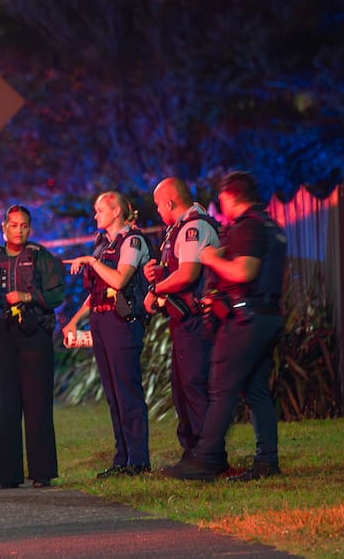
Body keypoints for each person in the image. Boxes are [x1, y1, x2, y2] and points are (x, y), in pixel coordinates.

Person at [163, 171, 287, 482]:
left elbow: (243, 271)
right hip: (267, 315)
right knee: (256, 390)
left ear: (231, 195)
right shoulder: (269, 226)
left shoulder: (248, 226)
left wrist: (209, 258)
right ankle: (267, 461)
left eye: (222, 198)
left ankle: (205, 460)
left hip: (245, 319)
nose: (220, 204)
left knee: (221, 388)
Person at [0, 204, 66, 489]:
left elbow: (57, 293)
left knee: (38, 405)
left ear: (29, 228)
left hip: (34, 335)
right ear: (4, 228)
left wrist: (27, 297)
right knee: (5, 407)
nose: (19, 230)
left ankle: (42, 473)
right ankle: (6, 476)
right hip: (1, 339)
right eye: (13, 225)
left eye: (24, 225)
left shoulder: (40, 256)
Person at [62, 191, 152, 477]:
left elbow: (120, 279)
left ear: (116, 212)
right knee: (113, 394)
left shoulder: (132, 241)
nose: (95, 215)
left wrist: (91, 261)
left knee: (127, 392)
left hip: (122, 322)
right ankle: (121, 459)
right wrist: (74, 321)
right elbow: (97, 291)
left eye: (100, 210)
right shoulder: (102, 244)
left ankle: (138, 461)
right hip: (101, 321)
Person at [142, 177, 221, 463]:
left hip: (196, 321)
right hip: (183, 321)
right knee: (182, 387)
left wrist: (155, 290)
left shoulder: (193, 227)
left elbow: (188, 274)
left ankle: (208, 458)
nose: (157, 211)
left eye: (158, 205)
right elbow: (177, 270)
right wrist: (158, 274)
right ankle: (192, 454)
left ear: (169, 202)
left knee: (195, 386)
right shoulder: (178, 229)